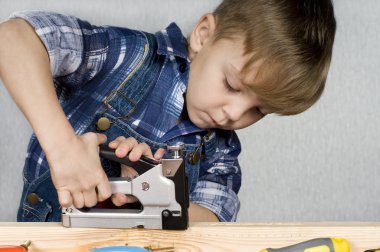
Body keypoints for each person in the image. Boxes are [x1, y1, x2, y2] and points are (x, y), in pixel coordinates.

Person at [0, 0, 336, 222]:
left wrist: (155, 202)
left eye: (259, 109)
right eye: (232, 86)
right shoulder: (125, 57)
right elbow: (12, 38)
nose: (233, 113)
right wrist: (63, 147)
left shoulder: (221, 152)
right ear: (204, 36)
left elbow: (213, 221)